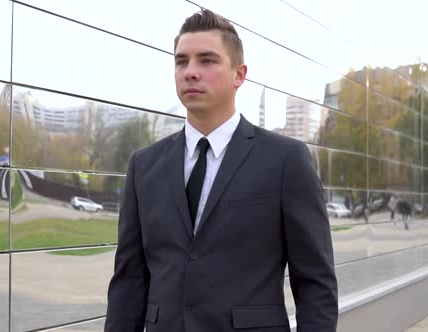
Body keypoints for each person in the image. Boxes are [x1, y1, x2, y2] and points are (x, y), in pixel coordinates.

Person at [105, 9, 338, 332]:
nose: (191, 72)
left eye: (207, 60)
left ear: (238, 75)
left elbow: (316, 283)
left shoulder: (286, 161)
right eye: (181, 61)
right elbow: (129, 282)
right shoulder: (144, 166)